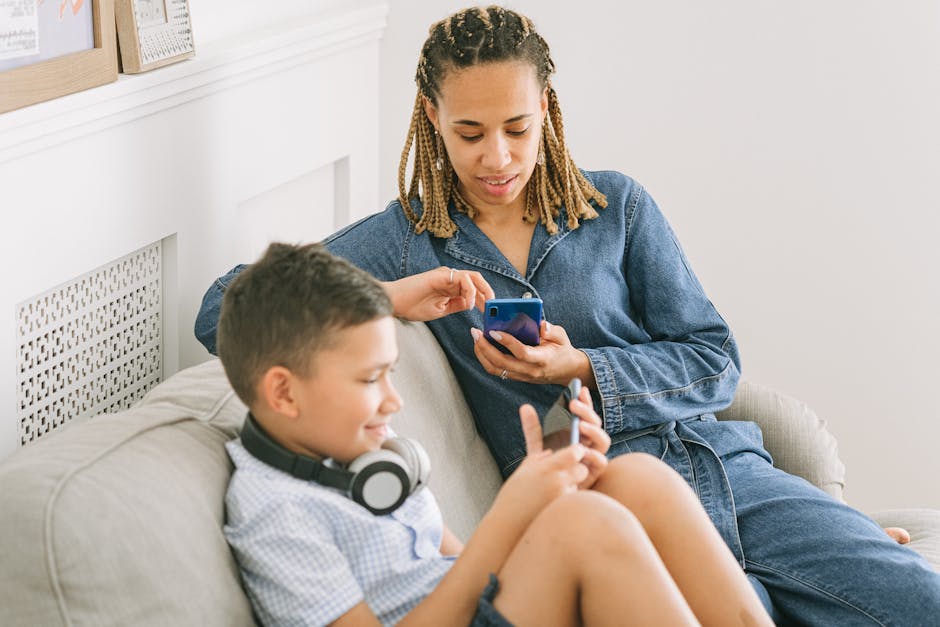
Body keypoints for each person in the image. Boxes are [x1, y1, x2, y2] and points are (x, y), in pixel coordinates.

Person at [197, 6, 940, 624]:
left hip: (723, 469)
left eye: (518, 128)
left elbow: (715, 358)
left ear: (546, 107)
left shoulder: (616, 206)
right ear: (432, 116)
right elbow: (225, 305)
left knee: (918, 599)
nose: (497, 158)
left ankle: (834, 556)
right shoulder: (403, 241)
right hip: (594, 489)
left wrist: (585, 365)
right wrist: (392, 295)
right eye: (470, 132)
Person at [216, 242, 773, 626]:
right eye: (370, 379)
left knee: (636, 478)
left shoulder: (365, 456)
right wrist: (516, 510)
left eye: (390, 372)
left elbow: (463, 570)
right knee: (583, 523)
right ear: (284, 393)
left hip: (482, 609)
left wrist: (547, 493)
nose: (394, 399)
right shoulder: (276, 511)